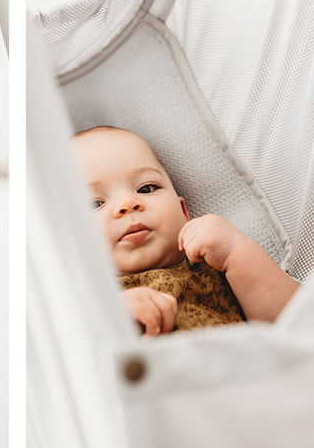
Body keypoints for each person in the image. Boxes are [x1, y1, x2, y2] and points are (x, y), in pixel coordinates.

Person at [73, 126, 300, 335]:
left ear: (184, 211)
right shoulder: (88, 301)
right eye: (95, 204)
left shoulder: (215, 264)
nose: (128, 204)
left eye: (147, 188)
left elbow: (297, 325)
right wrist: (114, 317)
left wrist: (236, 251)